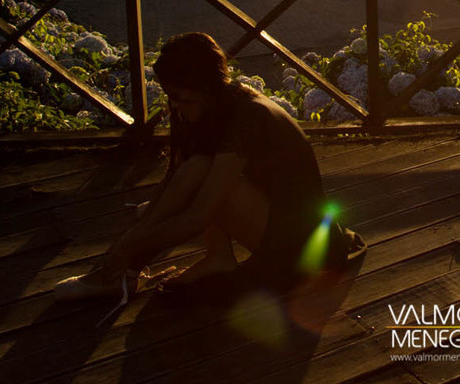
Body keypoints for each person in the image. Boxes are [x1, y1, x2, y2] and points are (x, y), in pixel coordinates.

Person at [55, 33, 363, 303]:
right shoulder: (207, 107)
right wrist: (134, 242)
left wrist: (126, 247)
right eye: (168, 94)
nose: (173, 104)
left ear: (203, 86)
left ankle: (118, 273)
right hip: (274, 220)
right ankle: (201, 260)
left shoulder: (247, 116)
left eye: (178, 95)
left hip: (302, 244)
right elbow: (175, 178)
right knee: (195, 168)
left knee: (206, 180)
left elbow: (197, 216)